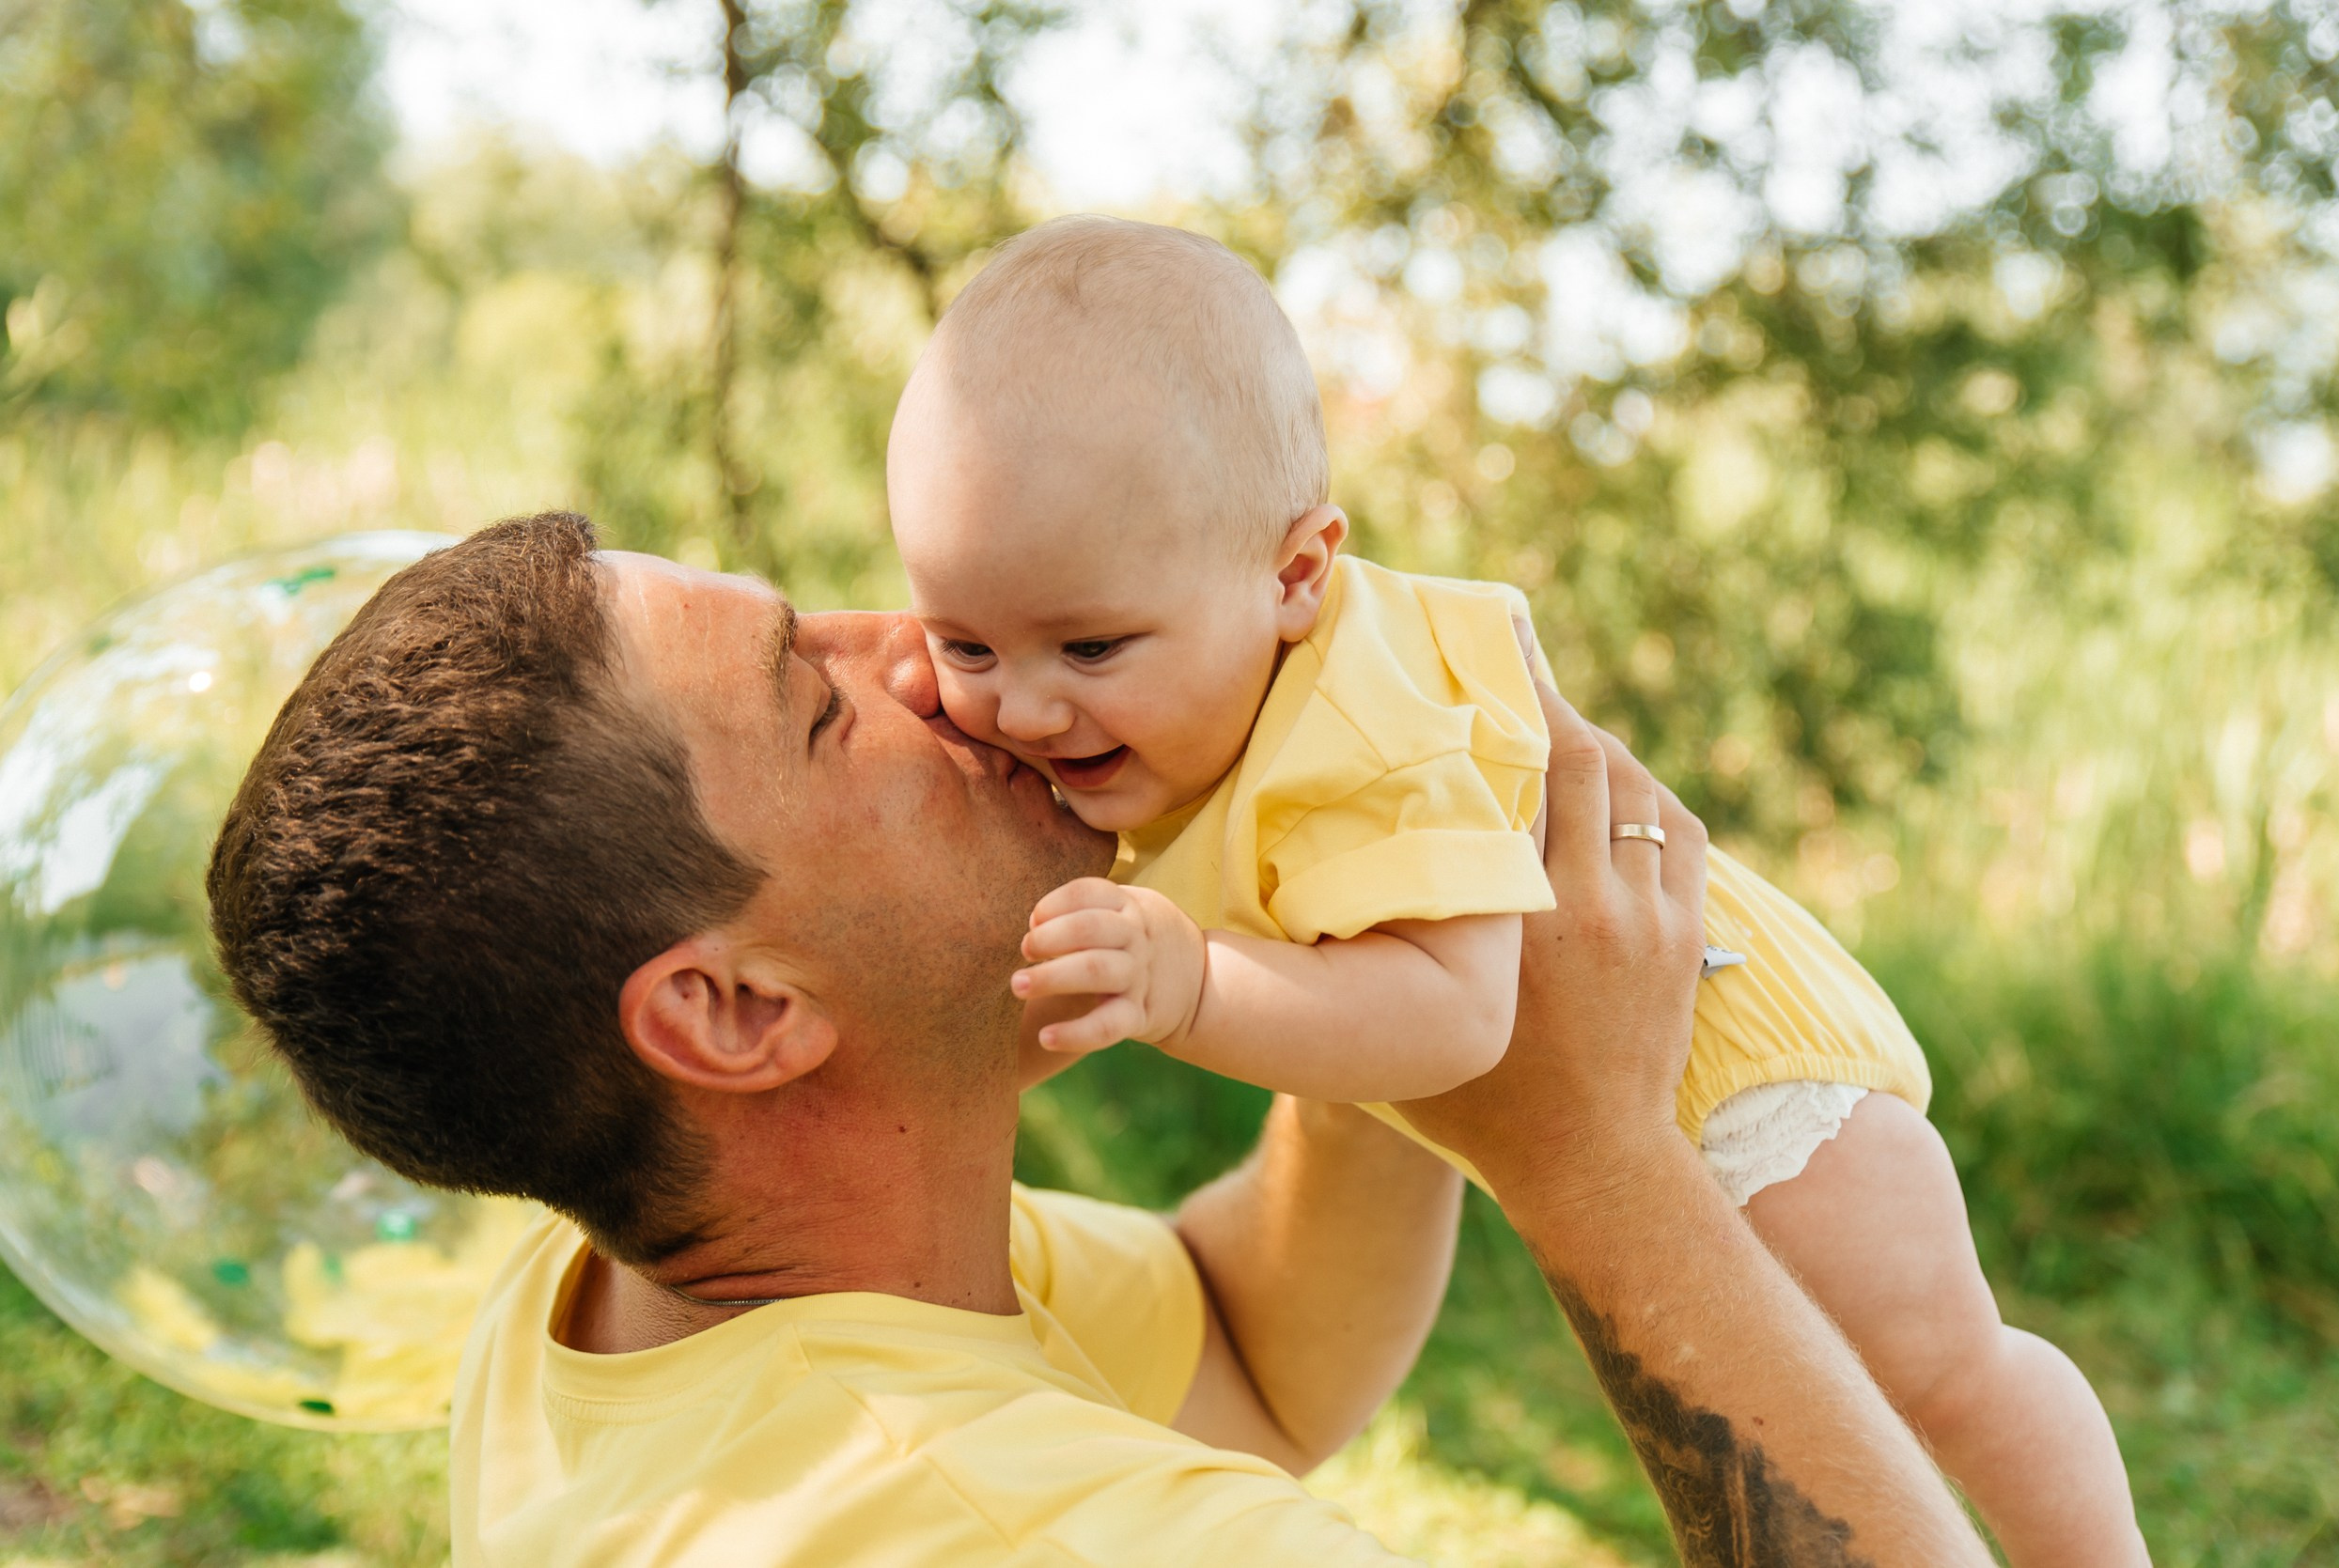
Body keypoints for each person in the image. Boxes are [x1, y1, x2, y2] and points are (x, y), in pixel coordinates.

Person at [208, 514, 1990, 1565]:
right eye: (819, 704)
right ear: (737, 1009)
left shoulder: (622, 1314)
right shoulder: (1006, 1526)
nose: (927, 651)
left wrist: (1382, 941)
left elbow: (1252, 1346)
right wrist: (1593, 1154)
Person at [885, 216, 2147, 1567]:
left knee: (1938, 1369)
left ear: (1297, 575)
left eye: (1089, 643)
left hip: (1749, 1078)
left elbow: (1459, 1016)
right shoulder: (1179, 707)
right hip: (1654, 1078)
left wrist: (1190, 982)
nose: (1018, 704)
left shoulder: (1364, 726)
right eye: (965, 638)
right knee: (1880, 1391)